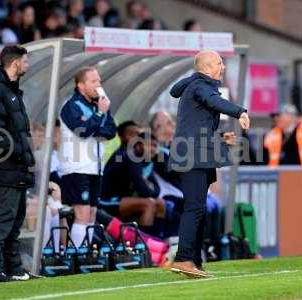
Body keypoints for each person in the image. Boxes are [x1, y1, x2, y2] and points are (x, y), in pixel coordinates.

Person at [168, 50, 250, 277]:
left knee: (199, 208)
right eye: (219, 63)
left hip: (196, 153)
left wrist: (220, 138)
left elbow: (196, 124)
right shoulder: (201, 86)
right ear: (205, 68)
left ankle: (193, 261)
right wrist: (240, 111)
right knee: (194, 208)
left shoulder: (195, 84)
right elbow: (214, 101)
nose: (222, 67)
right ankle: (183, 259)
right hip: (191, 156)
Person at [0, 45, 35, 283]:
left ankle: (14, 267)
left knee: (16, 218)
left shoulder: (11, 90)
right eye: (26, 61)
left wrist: (24, 156)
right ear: (15, 64)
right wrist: (21, 151)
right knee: (3, 218)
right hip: (2, 167)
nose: (27, 65)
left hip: (15, 166)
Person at [58, 67, 117, 248]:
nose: (98, 85)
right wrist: (99, 115)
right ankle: (77, 253)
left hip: (94, 168)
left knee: (91, 214)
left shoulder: (98, 105)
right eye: (94, 81)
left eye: (99, 81)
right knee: (82, 214)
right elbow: (82, 131)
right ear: (81, 85)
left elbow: (110, 131)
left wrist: (98, 117)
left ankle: (86, 251)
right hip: (76, 168)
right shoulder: (71, 105)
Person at [101, 130, 166, 236]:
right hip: (108, 200)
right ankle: (144, 244)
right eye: (150, 145)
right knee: (148, 203)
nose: (154, 150)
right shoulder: (129, 157)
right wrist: (147, 186)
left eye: (155, 146)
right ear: (139, 145)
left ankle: (158, 239)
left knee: (160, 203)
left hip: (125, 200)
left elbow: (157, 191)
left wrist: (147, 186)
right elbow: (143, 190)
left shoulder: (146, 162)